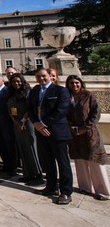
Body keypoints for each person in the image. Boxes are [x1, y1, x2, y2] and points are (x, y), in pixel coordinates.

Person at [28, 68, 73, 205]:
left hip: (57, 131)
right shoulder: (35, 91)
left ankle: (65, 192)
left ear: (50, 76)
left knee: (63, 163)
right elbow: (30, 108)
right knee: (48, 162)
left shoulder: (60, 90)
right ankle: (51, 187)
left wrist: (43, 124)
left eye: (44, 76)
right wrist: (36, 123)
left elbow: (62, 109)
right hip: (41, 132)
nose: (41, 79)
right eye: (38, 77)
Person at [66, 75, 110, 201]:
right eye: (71, 83)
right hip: (75, 134)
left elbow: (96, 113)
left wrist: (85, 127)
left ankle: (103, 190)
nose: (74, 85)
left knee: (95, 161)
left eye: (76, 83)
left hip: (90, 133)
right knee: (80, 160)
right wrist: (71, 126)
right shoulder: (68, 97)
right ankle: (85, 187)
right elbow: (64, 114)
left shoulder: (89, 95)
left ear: (81, 83)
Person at [6, 73, 42, 184]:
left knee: (31, 147)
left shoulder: (28, 93)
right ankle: (27, 174)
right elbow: (9, 109)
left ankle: (37, 174)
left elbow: (30, 108)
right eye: (14, 82)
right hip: (16, 123)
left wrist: (22, 121)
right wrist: (15, 121)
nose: (16, 83)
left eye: (18, 81)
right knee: (22, 148)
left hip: (27, 122)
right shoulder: (12, 94)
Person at [0, 72, 17, 174]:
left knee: (10, 145)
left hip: (6, 122)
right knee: (1, 145)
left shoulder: (7, 91)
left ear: (2, 80)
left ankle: (13, 167)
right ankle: (6, 164)